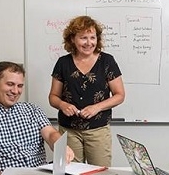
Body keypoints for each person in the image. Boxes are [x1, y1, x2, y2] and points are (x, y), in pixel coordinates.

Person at [0, 61, 74, 175]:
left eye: (20, 86)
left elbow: (50, 134)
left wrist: (60, 146)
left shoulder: (32, 110)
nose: (15, 91)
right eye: (10, 84)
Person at [49, 15, 125, 167]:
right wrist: (63, 105)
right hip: (69, 130)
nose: (89, 43)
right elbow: (53, 97)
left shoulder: (107, 61)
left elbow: (120, 95)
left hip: (98, 130)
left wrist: (97, 107)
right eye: (83, 38)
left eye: (93, 37)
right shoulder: (63, 63)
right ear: (72, 39)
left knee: (101, 174)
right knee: (71, 174)